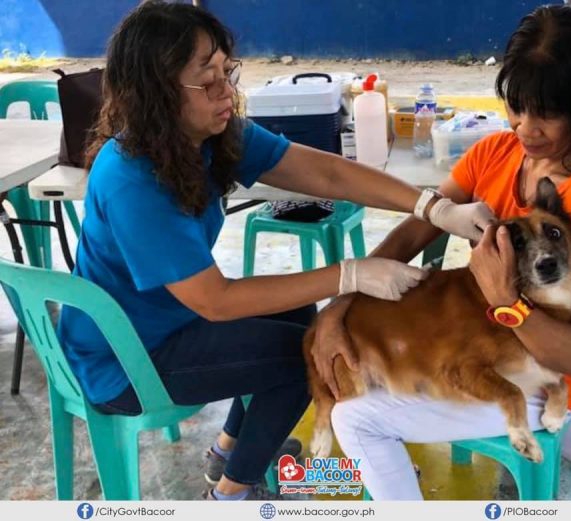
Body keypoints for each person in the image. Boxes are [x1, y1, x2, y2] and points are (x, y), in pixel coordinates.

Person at [56, 1, 493, 501]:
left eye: (227, 71)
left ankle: (229, 449)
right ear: (156, 91)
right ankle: (232, 494)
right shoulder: (133, 180)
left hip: (172, 321)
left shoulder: (208, 134)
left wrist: (432, 208)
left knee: (302, 311)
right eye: (207, 79)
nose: (227, 91)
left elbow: (326, 172)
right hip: (126, 357)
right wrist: (349, 274)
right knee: (304, 357)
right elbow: (214, 301)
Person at [312, 5, 571, 500]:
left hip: (545, 379)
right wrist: (340, 303)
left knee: (356, 420)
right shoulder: (496, 154)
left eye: (546, 113)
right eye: (517, 106)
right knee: (354, 361)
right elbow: (410, 235)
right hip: (482, 344)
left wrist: (509, 301)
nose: (525, 127)